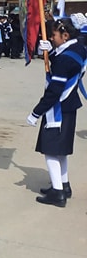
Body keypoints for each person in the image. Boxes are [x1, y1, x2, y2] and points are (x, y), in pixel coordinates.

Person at [28, 18, 86, 208]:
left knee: (51, 152)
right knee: (61, 152)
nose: (51, 38)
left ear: (65, 35)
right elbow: (65, 60)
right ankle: (63, 185)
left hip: (59, 109)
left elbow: (54, 91)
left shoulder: (64, 60)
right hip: (70, 106)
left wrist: (36, 113)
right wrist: (50, 52)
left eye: (53, 36)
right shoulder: (78, 49)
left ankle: (58, 194)